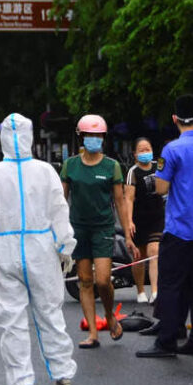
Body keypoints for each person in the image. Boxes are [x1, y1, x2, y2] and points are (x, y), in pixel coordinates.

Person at [0, 113, 78, 385]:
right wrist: (65, 246)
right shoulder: (45, 171)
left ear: (2, 138)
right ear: (31, 137)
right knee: (50, 313)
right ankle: (62, 373)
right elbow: (59, 210)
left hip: (4, 251)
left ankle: (21, 381)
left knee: (11, 318)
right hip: (42, 249)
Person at [136, 95, 193, 358]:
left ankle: (167, 341)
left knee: (171, 285)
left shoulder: (171, 150)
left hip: (178, 229)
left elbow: (161, 187)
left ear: (175, 119)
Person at [60, 114, 137, 349]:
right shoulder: (70, 165)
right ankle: (93, 333)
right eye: (89, 135)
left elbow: (120, 201)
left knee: (103, 280)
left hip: (103, 228)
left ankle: (110, 316)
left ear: (103, 138)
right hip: (78, 229)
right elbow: (61, 200)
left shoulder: (111, 166)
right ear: (81, 137)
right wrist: (57, 232)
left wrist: (128, 233)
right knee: (85, 281)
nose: (94, 139)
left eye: (98, 136)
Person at [123, 138, 164, 304]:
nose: (145, 152)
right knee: (139, 256)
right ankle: (140, 290)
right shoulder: (133, 172)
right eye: (141, 150)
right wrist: (129, 221)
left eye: (148, 148)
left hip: (157, 216)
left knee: (154, 251)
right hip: (139, 218)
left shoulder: (159, 166)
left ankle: (155, 291)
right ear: (135, 154)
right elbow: (128, 199)